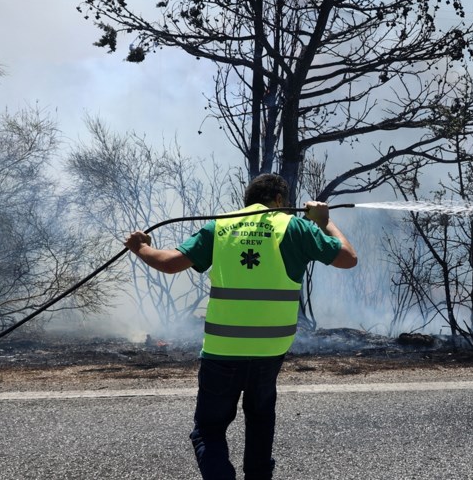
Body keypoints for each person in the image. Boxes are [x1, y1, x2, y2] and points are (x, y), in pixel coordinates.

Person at [125, 173, 357, 480]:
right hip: (269, 350)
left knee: (208, 431)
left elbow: (169, 262)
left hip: (222, 350)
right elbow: (348, 258)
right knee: (260, 421)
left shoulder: (221, 227)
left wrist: (140, 247)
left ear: (248, 201)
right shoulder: (295, 227)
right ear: (278, 200)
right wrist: (325, 222)